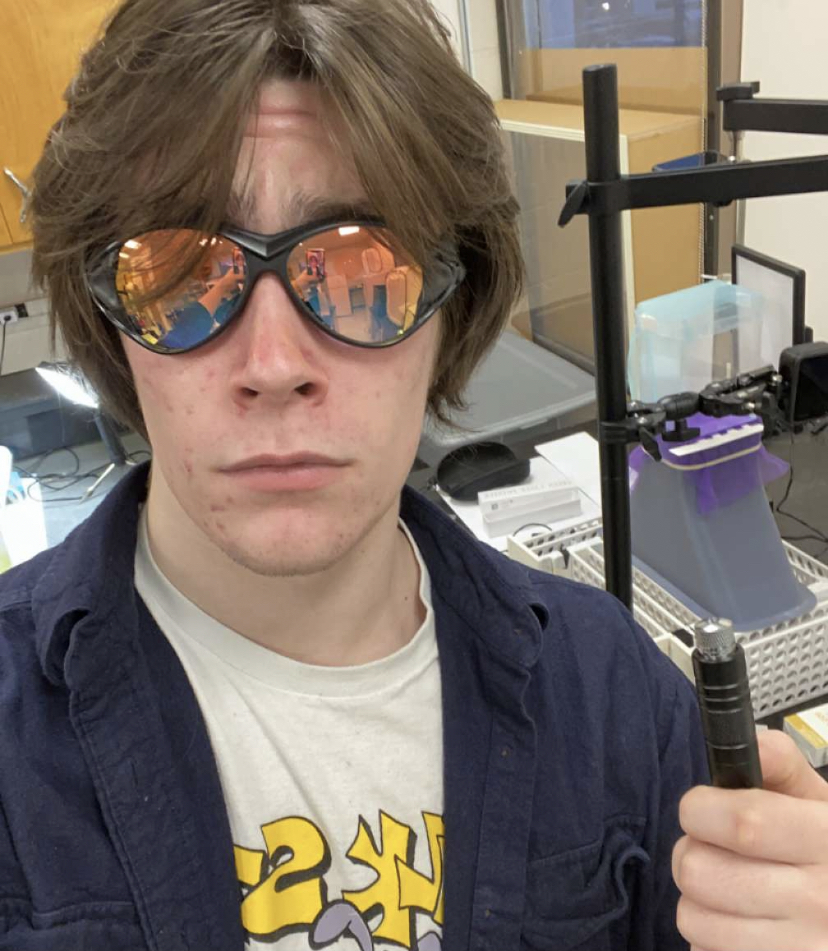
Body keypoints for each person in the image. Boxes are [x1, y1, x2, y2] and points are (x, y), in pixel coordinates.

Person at [1, 1, 826, 949]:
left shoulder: (616, 699)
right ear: (109, 317)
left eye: (360, 266)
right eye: (184, 275)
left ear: (451, 307)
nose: (274, 362)